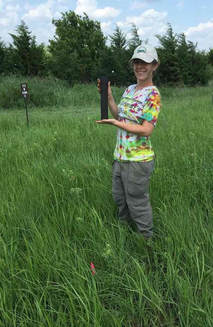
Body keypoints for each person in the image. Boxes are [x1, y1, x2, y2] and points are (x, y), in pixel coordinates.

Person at [97, 44, 161, 239]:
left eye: (145, 63)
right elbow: (120, 116)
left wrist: (116, 123)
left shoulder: (153, 95)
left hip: (138, 160)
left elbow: (146, 130)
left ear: (154, 66)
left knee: (137, 202)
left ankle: (146, 242)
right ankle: (123, 234)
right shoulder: (130, 89)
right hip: (121, 157)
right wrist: (108, 98)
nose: (140, 66)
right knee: (120, 199)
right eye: (136, 62)